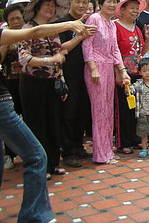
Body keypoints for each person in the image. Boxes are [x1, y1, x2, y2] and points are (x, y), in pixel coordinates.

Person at [0, 17, 94, 223]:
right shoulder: (13, 32)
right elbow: (34, 33)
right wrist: (70, 24)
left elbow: (57, 44)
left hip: (35, 90)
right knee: (36, 156)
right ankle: (34, 215)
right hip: (5, 103)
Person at [18, 0, 71, 178]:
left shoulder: (52, 29)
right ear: (37, 8)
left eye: (52, 5)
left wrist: (61, 78)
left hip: (52, 83)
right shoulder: (28, 28)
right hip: (33, 83)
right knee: (36, 124)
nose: (50, 8)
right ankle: (41, 166)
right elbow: (24, 58)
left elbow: (59, 54)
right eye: (46, 5)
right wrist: (48, 60)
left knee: (53, 122)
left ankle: (54, 163)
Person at [82, 0, 130, 165]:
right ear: (100, 3)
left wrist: (122, 70)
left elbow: (115, 49)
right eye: (108, 1)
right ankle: (100, 154)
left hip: (109, 68)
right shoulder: (94, 19)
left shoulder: (111, 23)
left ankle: (108, 151)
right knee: (99, 112)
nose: (111, 4)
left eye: (114, 1)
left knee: (108, 111)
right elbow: (87, 46)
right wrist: (93, 68)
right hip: (96, 70)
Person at [57, 0, 93, 168]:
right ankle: (68, 151)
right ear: (70, 2)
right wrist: (80, 35)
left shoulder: (88, 22)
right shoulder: (62, 24)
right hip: (68, 75)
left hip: (85, 74)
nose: (81, 5)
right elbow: (61, 48)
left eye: (84, 3)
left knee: (82, 112)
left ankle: (79, 146)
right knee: (68, 114)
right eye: (77, 2)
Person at [114, 0, 147, 154]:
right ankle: (123, 141)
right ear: (123, 9)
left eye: (136, 9)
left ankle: (135, 138)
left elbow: (142, 51)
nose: (135, 11)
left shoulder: (137, 29)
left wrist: (148, 40)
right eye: (131, 8)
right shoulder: (116, 27)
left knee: (135, 108)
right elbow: (113, 52)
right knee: (122, 109)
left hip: (137, 73)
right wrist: (118, 73)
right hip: (122, 74)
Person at [1, 4, 26, 171]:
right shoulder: (5, 38)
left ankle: (26, 152)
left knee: (29, 118)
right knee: (12, 119)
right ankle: (9, 154)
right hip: (10, 83)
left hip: (27, 82)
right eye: (12, 19)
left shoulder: (27, 34)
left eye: (18, 17)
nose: (16, 21)